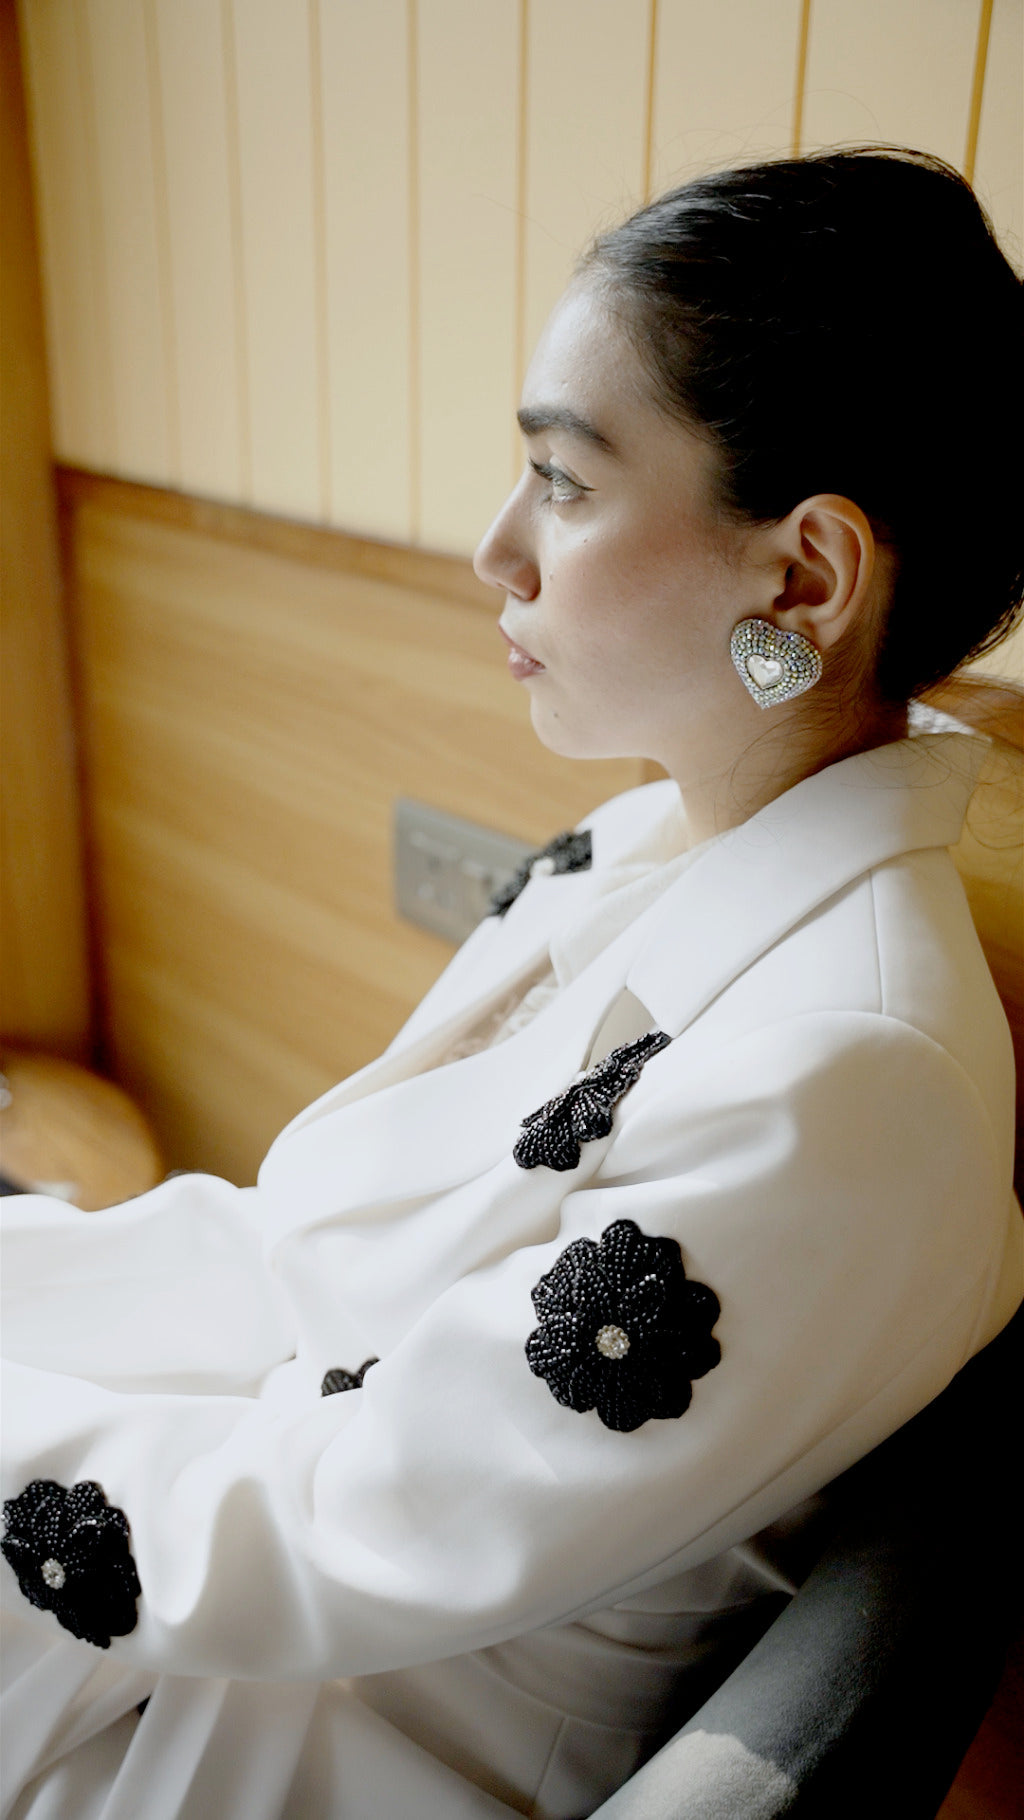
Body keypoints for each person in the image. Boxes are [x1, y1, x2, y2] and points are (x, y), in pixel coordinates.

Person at [2, 146, 1022, 1820]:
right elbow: (297, 1262)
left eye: (562, 480)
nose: (495, 548)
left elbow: (357, 1521)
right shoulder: (641, 849)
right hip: (228, 1590)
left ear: (804, 579)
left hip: (326, 1746)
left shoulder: (850, 1076)